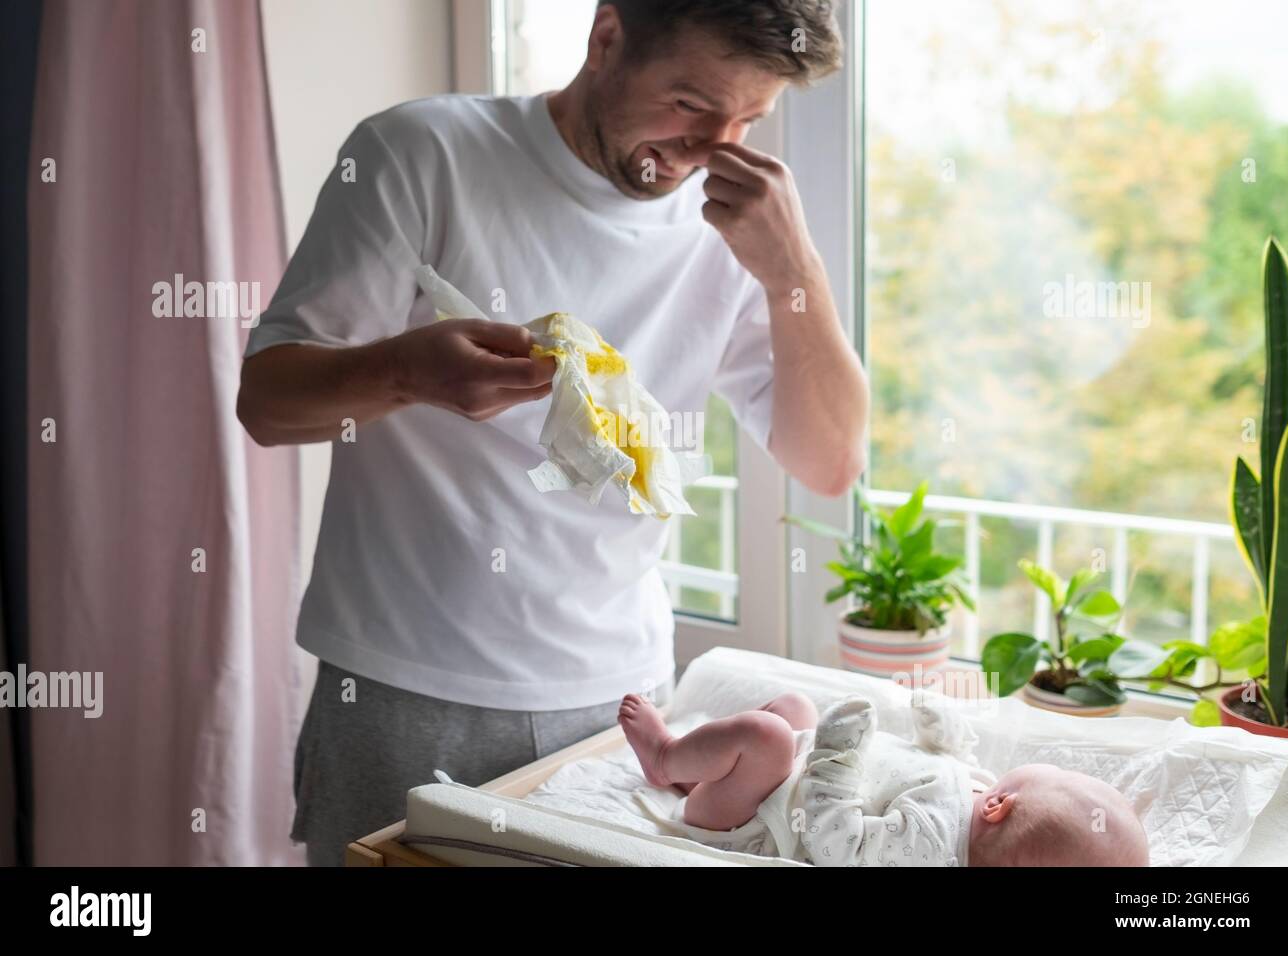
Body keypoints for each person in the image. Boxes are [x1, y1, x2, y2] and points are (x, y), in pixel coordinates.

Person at [236, 0, 867, 865]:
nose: (712, 148)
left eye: (749, 120)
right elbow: (267, 404)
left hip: (623, 703)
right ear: (606, 38)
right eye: (688, 105)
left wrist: (797, 269)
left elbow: (830, 461)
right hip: (401, 687)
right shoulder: (420, 154)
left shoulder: (738, 229)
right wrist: (406, 372)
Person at [618, 691, 1150, 866]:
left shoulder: (928, 845)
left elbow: (836, 842)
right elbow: (941, 768)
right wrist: (945, 740)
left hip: (753, 819)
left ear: (1000, 807)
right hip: (788, 780)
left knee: (768, 736)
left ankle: (665, 760)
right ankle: (702, 774)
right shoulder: (975, 795)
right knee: (792, 708)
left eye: (1054, 773)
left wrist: (835, 756)